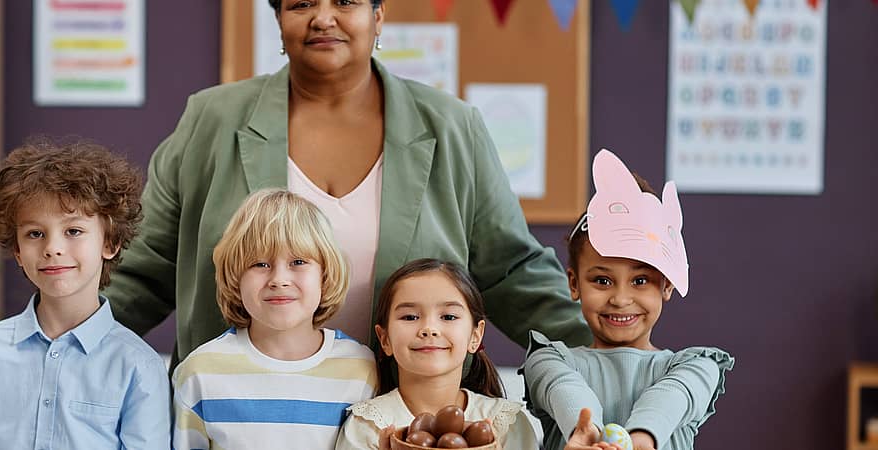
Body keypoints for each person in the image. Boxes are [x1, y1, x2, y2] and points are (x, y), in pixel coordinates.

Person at [104, 0, 589, 370]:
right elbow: (144, 272)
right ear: (277, 20)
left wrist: (613, 356)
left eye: (346, 1)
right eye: (301, 4)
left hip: (405, 420)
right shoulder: (211, 119)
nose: (323, 18)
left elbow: (512, 274)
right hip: (241, 417)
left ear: (379, 17)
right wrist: (58, 347)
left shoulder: (452, 127)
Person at [0, 138, 170, 450]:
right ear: (17, 249)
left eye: (73, 231)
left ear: (109, 243)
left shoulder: (139, 366)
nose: (52, 248)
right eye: (35, 234)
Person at [522, 150, 734, 450]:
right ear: (573, 283)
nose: (621, 299)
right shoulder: (548, 360)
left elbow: (671, 397)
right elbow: (565, 391)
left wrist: (639, 441)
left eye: (640, 281)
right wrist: (589, 434)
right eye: (602, 280)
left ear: (667, 284)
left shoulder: (697, 367)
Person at [171, 189, 375, 449]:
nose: (279, 280)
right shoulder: (199, 373)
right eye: (260, 264)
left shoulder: (361, 369)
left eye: (298, 261)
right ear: (236, 276)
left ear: (325, 274)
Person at [336, 258, 543, 450]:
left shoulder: (505, 423)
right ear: (385, 339)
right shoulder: (368, 425)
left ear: (475, 336)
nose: (429, 328)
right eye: (410, 317)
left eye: (449, 316)